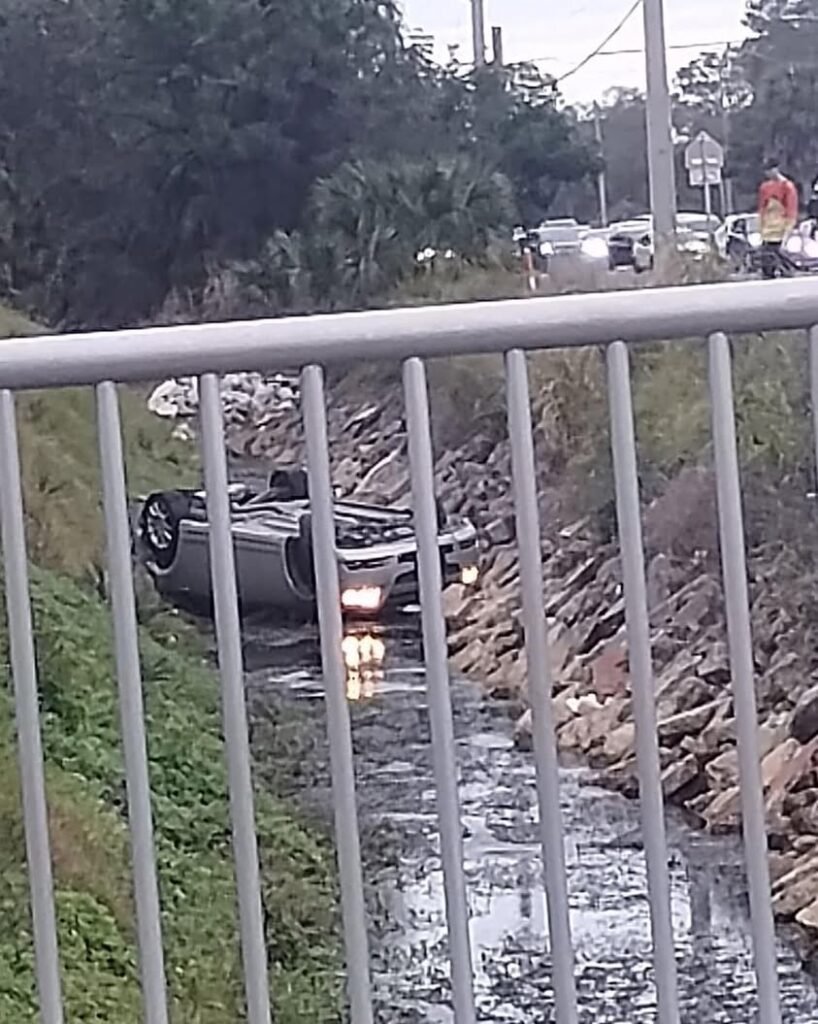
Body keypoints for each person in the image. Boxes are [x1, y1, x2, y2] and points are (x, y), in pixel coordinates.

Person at [758, 158, 798, 278]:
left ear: (776, 169)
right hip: (768, 232)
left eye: (769, 170)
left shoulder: (787, 187)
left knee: (783, 262)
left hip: (781, 231)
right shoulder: (765, 187)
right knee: (766, 264)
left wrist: (787, 233)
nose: (768, 174)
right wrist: (761, 228)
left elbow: (791, 210)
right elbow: (762, 209)